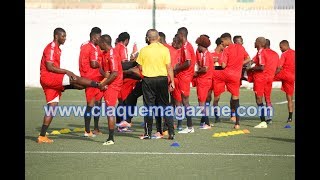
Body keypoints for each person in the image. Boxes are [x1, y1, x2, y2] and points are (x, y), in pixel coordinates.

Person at [37, 27, 100, 143]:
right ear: (57, 36)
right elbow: (50, 67)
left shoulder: (57, 49)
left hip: (51, 81)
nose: (65, 38)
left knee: (53, 107)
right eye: (63, 36)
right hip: (49, 78)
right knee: (75, 78)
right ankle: (98, 85)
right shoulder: (51, 47)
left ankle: (42, 136)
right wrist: (66, 71)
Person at [136, 29, 175, 140]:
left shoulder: (143, 50)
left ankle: (148, 133)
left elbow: (140, 67)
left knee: (149, 107)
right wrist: (172, 81)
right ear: (158, 38)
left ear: (148, 38)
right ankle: (171, 132)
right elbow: (169, 67)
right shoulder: (165, 50)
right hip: (162, 80)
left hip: (148, 80)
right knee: (165, 106)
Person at [213, 32, 250, 129]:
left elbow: (223, 66)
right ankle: (237, 123)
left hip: (225, 75)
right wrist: (239, 64)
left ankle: (214, 110)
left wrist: (214, 66)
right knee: (235, 99)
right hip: (236, 77)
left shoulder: (227, 49)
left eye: (222, 41)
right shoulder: (241, 48)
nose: (222, 43)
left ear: (226, 39)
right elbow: (248, 58)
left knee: (213, 73)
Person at [98, 34, 124, 145]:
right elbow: (107, 72)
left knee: (110, 111)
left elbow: (114, 74)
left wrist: (104, 83)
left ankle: (111, 138)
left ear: (104, 43)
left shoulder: (112, 54)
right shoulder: (106, 53)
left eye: (99, 42)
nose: (98, 44)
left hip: (113, 85)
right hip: (109, 83)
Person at [79, 27, 103, 137]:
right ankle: (87, 130)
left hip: (97, 79)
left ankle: (96, 128)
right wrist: (102, 66)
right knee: (91, 104)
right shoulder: (88, 47)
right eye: (99, 36)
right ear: (94, 37)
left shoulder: (95, 47)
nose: (100, 39)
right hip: (90, 79)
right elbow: (93, 64)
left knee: (98, 103)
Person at [173, 27, 196, 133]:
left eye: (178, 35)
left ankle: (190, 126)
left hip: (184, 77)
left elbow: (188, 63)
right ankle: (185, 125)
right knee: (182, 101)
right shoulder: (186, 46)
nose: (177, 36)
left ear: (181, 35)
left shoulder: (186, 47)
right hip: (183, 76)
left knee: (185, 101)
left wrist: (176, 68)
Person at [247, 37, 269, 128]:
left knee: (259, 99)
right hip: (261, 78)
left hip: (260, 79)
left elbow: (261, 67)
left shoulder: (261, 52)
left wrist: (250, 68)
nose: (254, 43)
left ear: (259, 43)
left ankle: (263, 121)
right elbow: (252, 61)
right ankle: (263, 120)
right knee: (260, 99)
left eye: (255, 41)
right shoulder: (259, 52)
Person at [194, 35, 213, 129]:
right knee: (204, 102)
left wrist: (196, 73)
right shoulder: (207, 54)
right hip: (206, 80)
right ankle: (204, 122)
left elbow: (205, 69)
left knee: (201, 103)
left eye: (198, 45)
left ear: (202, 45)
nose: (197, 47)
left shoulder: (205, 55)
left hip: (203, 80)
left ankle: (207, 123)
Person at [273, 40, 295, 123]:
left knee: (266, 78)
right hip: (292, 78)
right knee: (289, 98)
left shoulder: (284, 54)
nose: (280, 49)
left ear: (285, 46)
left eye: (281, 47)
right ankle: (290, 117)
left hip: (284, 75)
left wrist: (273, 75)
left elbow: (279, 68)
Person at [263, 39, 279, 124]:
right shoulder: (276, 54)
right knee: (267, 98)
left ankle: (262, 117)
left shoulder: (262, 52)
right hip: (270, 78)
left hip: (262, 78)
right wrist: (273, 74)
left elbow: (253, 62)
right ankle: (269, 117)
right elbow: (279, 68)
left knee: (258, 98)